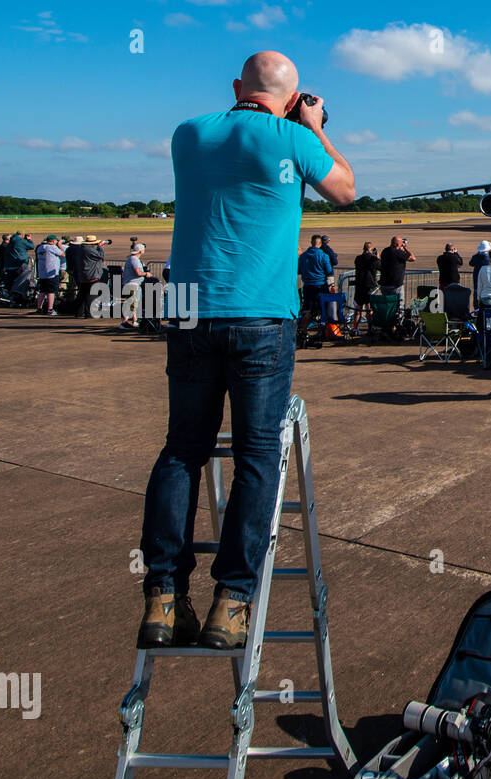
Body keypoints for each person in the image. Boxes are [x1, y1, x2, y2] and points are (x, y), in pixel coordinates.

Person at [138, 50, 355, 651]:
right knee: (258, 455)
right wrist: (312, 128)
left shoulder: (188, 134)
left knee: (183, 448)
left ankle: (161, 595)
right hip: (260, 313)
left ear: (236, 86)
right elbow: (345, 191)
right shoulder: (292, 136)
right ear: (291, 99)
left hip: (188, 310)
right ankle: (231, 601)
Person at [297, 234, 335, 331]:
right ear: (320, 244)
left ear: (311, 243)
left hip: (307, 286)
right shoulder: (323, 255)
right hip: (320, 286)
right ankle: (323, 330)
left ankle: (302, 331)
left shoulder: (303, 256)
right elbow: (329, 271)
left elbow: (298, 270)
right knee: (324, 309)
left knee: (307, 310)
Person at [378, 234, 414, 309]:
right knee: (399, 306)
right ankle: (397, 320)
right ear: (398, 244)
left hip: (384, 284)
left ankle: (387, 319)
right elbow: (413, 258)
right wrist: (405, 248)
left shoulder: (385, 251)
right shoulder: (398, 252)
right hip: (395, 285)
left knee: (387, 305)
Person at [34, 235, 67, 315]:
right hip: (51, 273)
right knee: (51, 292)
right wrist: (59, 246)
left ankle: (39, 308)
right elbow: (63, 254)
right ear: (53, 241)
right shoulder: (52, 247)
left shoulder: (40, 247)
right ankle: (50, 309)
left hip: (42, 273)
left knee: (42, 291)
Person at [353, 241, 379, 328]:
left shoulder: (358, 258)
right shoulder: (373, 259)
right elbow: (380, 266)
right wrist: (377, 257)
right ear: (371, 249)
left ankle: (354, 328)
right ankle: (370, 328)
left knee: (358, 309)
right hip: (369, 286)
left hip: (359, 286)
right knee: (369, 309)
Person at [469, 240, 491, 307]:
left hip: (477, 281)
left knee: (477, 298)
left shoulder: (476, 257)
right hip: (488, 282)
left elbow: (471, 263)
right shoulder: (490, 258)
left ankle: (477, 311)